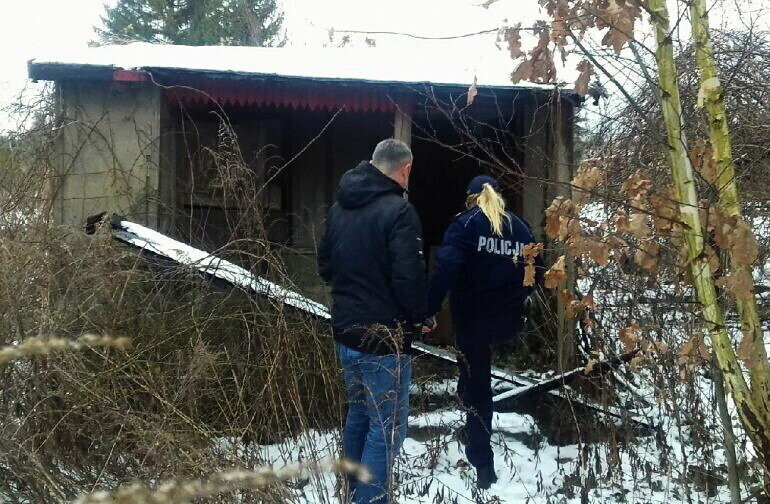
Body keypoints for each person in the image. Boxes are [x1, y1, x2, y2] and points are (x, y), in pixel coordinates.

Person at [317, 139, 427, 503]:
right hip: (384, 339)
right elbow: (408, 278)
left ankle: (351, 495)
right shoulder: (399, 212)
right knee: (386, 428)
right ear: (405, 169)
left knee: (359, 416)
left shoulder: (338, 208)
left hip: (346, 333)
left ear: (372, 163)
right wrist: (421, 316)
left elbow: (326, 268)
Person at [425, 175, 542, 490]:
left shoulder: (464, 225)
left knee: (478, 388)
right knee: (471, 377)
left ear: (470, 198)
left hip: (472, 321)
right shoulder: (521, 228)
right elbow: (537, 272)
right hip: (507, 321)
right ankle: (470, 424)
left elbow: (445, 268)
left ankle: (483, 464)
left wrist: (427, 308)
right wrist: (515, 301)